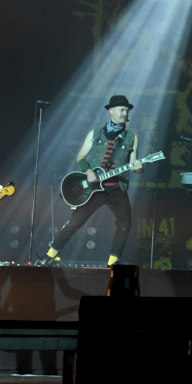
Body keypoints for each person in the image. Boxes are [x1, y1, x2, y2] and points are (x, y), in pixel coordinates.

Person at [46, 94, 144, 266]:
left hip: (116, 188)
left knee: (124, 223)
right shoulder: (95, 133)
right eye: (122, 110)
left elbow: (133, 163)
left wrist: (139, 168)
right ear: (111, 111)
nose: (125, 113)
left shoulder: (132, 137)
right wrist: (88, 171)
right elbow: (81, 157)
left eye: (127, 111)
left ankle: (113, 261)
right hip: (93, 189)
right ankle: (51, 253)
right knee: (76, 221)